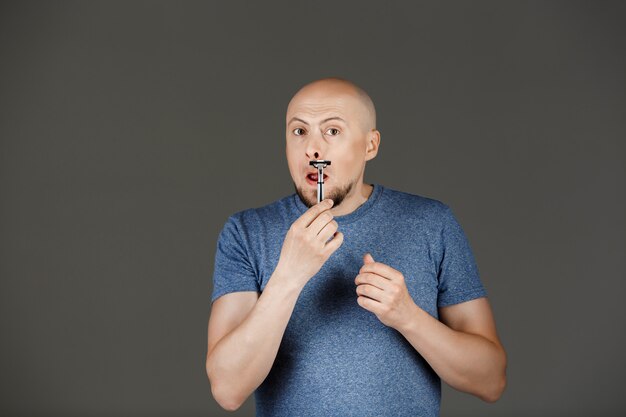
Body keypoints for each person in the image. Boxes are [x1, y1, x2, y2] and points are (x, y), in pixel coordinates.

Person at [205, 77, 507, 416]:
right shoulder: (246, 232)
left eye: (332, 131)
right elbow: (228, 389)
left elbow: (490, 380)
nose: (312, 149)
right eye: (299, 131)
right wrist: (289, 276)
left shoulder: (431, 223)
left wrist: (409, 317)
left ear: (370, 145)